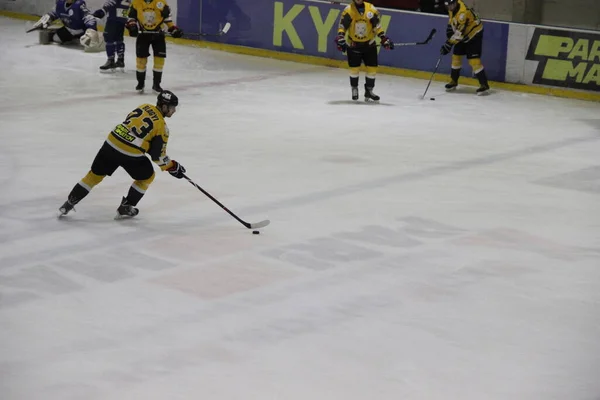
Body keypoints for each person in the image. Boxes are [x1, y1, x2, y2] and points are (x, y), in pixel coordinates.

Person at [58, 91, 187, 220]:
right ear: (164, 107)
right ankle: (126, 206)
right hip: (130, 153)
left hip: (111, 142)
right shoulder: (162, 127)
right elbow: (158, 156)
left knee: (93, 176)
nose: (174, 110)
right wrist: (172, 166)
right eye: (172, 107)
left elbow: (130, 126)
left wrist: (146, 145)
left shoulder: (144, 106)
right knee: (147, 176)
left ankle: (69, 204)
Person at [335, 0, 394, 102]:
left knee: (372, 69)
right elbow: (343, 25)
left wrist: (384, 38)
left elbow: (377, 26)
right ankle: (354, 88)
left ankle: (369, 91)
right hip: (354, 45)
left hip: (369, 45)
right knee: (354, 69)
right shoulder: (349, 10)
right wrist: (340, 36)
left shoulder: (371, 9)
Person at [126, 0, 183, 93]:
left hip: (158, 36)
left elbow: (167, 19)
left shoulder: (161, 2)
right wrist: (132, 26)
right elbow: (131, 17)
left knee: (159, 61)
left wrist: (173, 29)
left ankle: (156, 84)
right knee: (141, 60)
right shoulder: (136, 2)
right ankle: (140, 83)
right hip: (143, 35)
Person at [440, 0, 489, 95]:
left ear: (455, 3)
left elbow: (459, 33)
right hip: (463, 33)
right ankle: (454, 81)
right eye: (448, 6)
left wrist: (448, 44)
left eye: (451, 5)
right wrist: (450, 28)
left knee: (473, 60)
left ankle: (484, 84)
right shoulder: (453, 7)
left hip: (474, 34)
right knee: (456, 57)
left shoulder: (463, 13)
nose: (450, 8)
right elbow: (453, 21)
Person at [32, 0, 103, 51]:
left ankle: (97, 37)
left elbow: (89, 18)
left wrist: (91, 30)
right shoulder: (60, 4)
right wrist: (45, 19)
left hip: (82, 32)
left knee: (87, 43)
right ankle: (53, 32)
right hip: (68, 30)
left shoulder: (79, 5)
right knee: (56, 39)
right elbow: (53, 14)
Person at [93, 0, 130, 71]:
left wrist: (100, 12)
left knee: (109, 38)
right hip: (122, 20)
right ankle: (120, 59)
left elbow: (108, 5)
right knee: (119, 39)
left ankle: (111, 60)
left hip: (113, 20)